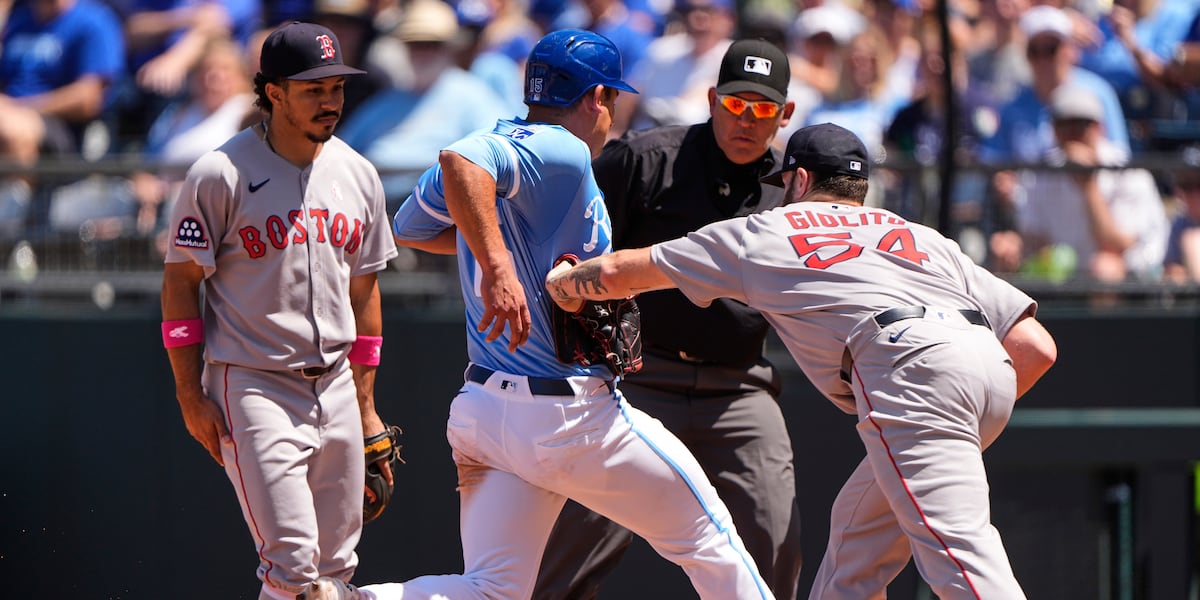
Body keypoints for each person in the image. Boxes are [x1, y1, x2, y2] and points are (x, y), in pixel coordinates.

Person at [344, 29, 775, 600]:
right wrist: (498, 266)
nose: (613, 117)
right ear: (596, 97)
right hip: (567, 416)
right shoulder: (561, 147)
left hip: (485, 412)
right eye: (613, 101)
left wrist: (493, 243)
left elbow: (414, 225)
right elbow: (459, 162)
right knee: (710, 540)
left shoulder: (515, 146)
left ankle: (353, 598)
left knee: (494, 590)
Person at [544, 123, 1059, 600]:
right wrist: (961, 411)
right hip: (987, 364)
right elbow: (1035, 346)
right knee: (857, 538)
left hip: (908, 367)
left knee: (962, 557)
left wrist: (564, 285)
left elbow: (626, 270)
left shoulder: (767, 230)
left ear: (801, 178)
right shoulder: (920, 236)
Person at [533, 37, 804, 600]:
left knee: (773, 535)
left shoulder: (794, 190)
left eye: (763, 108)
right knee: (583, 533)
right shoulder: (646, 158)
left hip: (737, 388)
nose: (747, 120)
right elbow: (565, 249)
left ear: (786, 114)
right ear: (710, 99)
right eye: (735, 103)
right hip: (640, 379)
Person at [159, 22, 399, 600]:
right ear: (274, 93)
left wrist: (366, 412)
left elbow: (365, 296)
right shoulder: (219, 174)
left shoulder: (359, 173)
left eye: (336, 87)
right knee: (292, 567)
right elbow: (179, 286)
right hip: (255, 384)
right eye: (313, 89)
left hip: (337, 384)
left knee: (336, 569)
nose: (330, 101)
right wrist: (191, 395)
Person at [990, 84, 1168, 282]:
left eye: (1081, 125)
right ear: (1054, 130)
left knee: (1103, 268)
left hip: (1134, 271)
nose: (1072, 134)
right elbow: (1035, 237)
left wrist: (1088, 185)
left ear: (1099, 128)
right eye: (1064, 125)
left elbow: (1117, 245)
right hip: (1064, 269)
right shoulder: (1042, 172)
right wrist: (1017, 247)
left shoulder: (1127, 172)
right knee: (1003, 253)